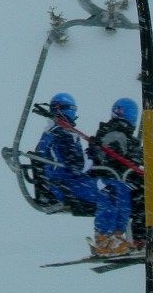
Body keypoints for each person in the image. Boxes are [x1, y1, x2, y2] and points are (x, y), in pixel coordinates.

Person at [34, 92, 133, 256]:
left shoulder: (59, 132)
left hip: (71, 181)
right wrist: (93, 153)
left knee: (122, 188)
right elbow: (77, 166)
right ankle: (103, 239)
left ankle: (116, 237)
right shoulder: (61, 134)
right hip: (67, 184)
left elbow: (74, 162)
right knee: (110, 190)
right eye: (72, 110)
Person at [88, 97, 153, 249]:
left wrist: (147, 168)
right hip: (115, 187)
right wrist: (146, 166)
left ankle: (143, 239)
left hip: (118, 184)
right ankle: (145, 239)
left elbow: (126, 160)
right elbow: (115, 161)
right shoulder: (117, 135)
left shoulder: (111, 133)